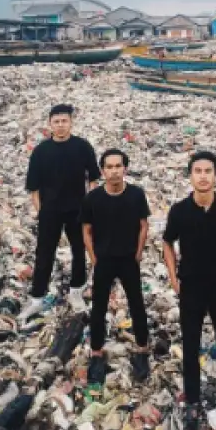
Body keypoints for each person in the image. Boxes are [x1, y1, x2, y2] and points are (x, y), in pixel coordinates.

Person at [162, 152, 216, 430]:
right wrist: (174, 278)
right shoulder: (179, 210)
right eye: (197, 170)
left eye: (208, 170)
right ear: (190, 176)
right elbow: (167, 243)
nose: (202, 176)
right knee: (190, 346)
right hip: (191, 287)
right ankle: (193, 403)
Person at [21, 104, 100, 320]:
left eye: (64, 121)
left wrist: (90, 204)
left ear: (71, 122)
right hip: (50, 211)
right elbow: (33, 187)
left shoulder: (83, 147)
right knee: (44, 253)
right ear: (50, 124)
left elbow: (93, 177)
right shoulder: (41, 151)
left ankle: (77, 291)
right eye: (56, 121)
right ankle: (37, 298)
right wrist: (41, 211)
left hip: (77, 209)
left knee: (78, 250)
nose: (61, 125)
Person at [81, 149, 151, 385]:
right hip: (104, 260)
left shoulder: (136, 195)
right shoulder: (93, 198)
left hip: (129, 259)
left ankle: (142, 350)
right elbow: (86, 231)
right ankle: (97, 353)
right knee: (98, 308)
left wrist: (138, 253)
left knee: (137, 305)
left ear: (125, 169)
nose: (113, 171)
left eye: (118, 166)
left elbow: (144, 225)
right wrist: (93, 258)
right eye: (109, 167)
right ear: (102, 171)